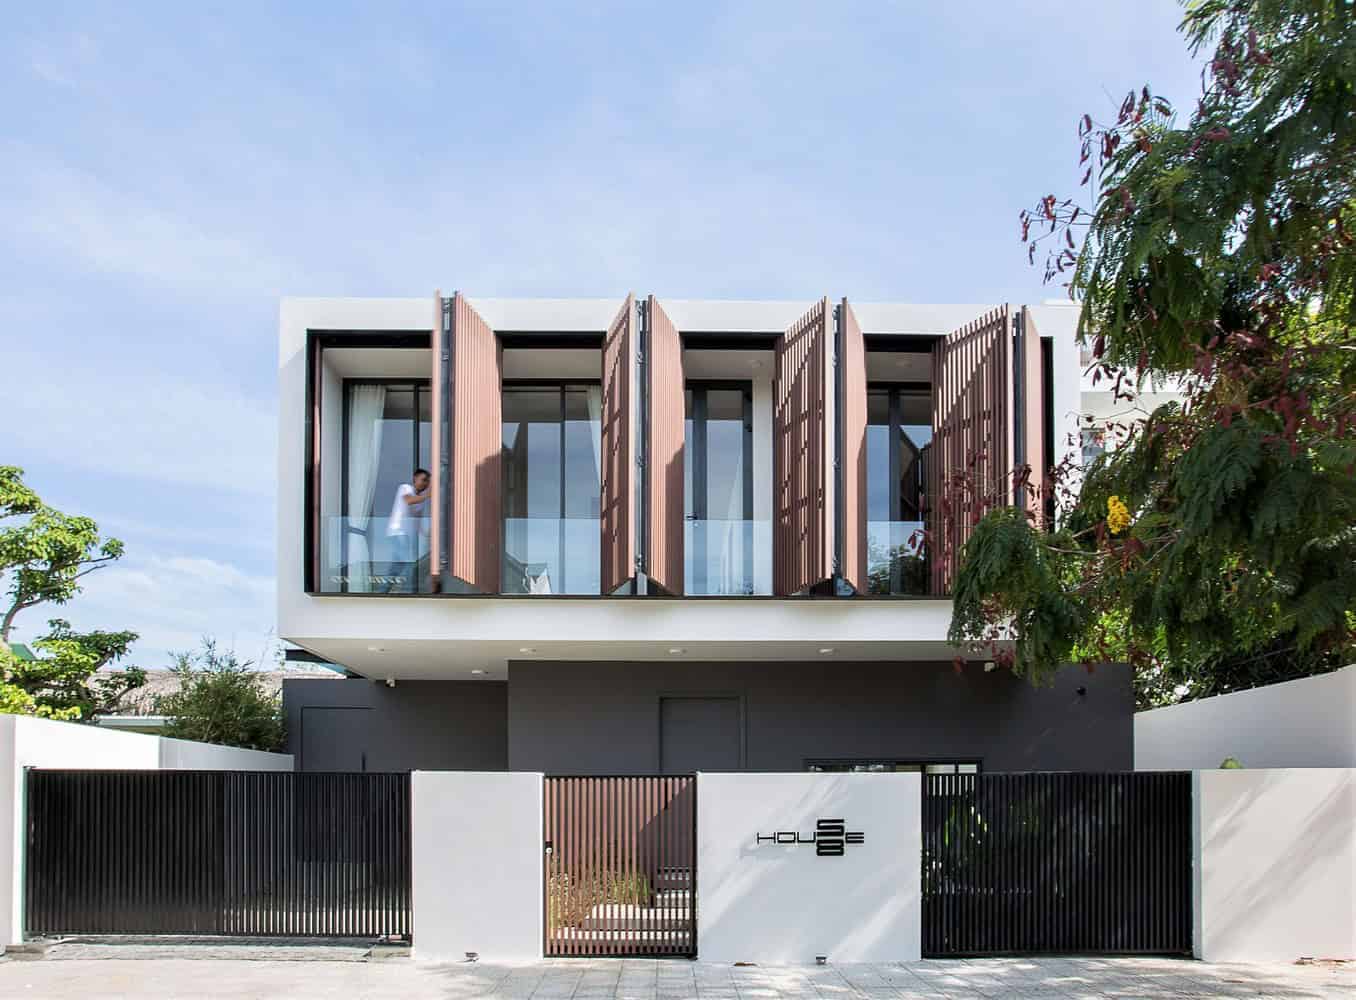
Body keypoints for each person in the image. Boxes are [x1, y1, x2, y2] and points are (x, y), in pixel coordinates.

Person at [386, 468, 430, 592]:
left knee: (395, 568)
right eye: (423, 480)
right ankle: (409, 591)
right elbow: (409, 500)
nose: (425, 483)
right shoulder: (405, 488)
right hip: (397, 532)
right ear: (415, 479)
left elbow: (419, 524)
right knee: (409, 563)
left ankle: (382, 591)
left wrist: (429, 534)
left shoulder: (421, 501)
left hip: (404, 536)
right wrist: (428, 495)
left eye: (427, 482)